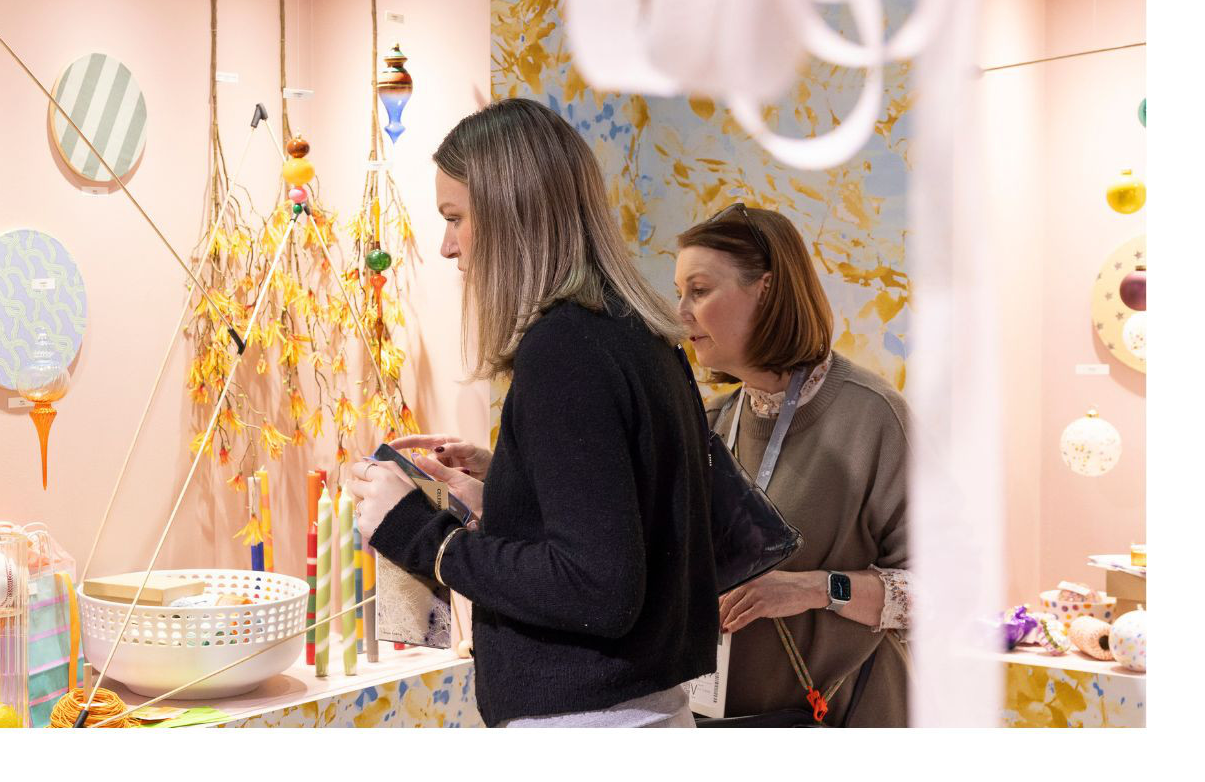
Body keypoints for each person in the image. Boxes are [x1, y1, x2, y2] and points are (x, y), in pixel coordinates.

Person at [342, 97, 718, 728]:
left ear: (511, 212)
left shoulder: (564, 350)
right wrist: (513, 483)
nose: (447, 246)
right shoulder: (639, 336)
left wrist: (415, 532)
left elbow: (598, 588)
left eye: (456, 218)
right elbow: (625, 515)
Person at [672, 202, 911, 726]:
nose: (681, 313)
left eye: (700, 290)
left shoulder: (874, 418)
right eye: (680, 294)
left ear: (767, 289)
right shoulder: (710, 423)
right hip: (723, 724)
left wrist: (813, 589)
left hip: (848, 720)